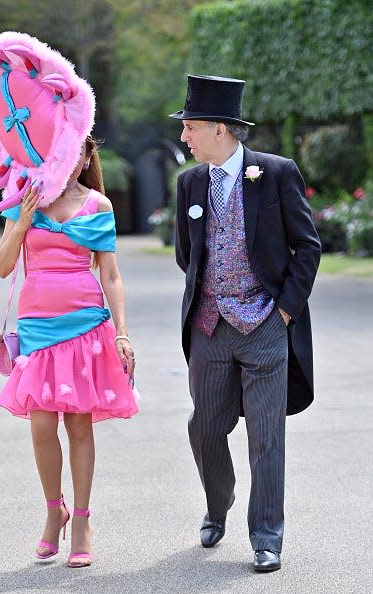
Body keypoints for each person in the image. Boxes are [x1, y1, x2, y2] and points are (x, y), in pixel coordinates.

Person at [0, 32, 138, 569]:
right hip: (37, 325)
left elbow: (113, 275)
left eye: (79, 153)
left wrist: (122, 332)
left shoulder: (97, 204)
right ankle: (51, 511)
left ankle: (81, 521)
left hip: (86, 324)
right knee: (40, 423)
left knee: (79, 423)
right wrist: (23, 219)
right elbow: (3, 265)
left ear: (82, 154)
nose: (70, 159)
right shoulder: (21, 199)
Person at [169, 75, 321, 572]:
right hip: (209, 326)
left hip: (266, 325)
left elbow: (308, 246)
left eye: (190, 127)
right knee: (205, 429)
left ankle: (266, 537)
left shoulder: (276, 173)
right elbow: (186, 255)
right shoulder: (189, 182)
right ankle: (219, 505)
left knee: (266, 437)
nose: (185, 137)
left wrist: (284, 311)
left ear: (219, 129)